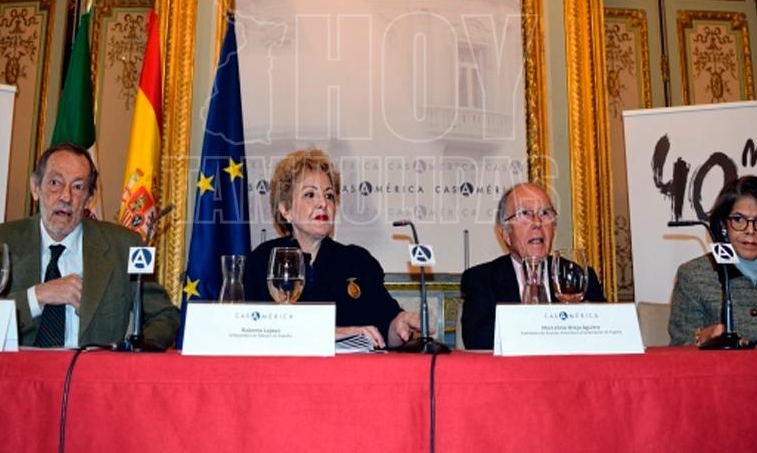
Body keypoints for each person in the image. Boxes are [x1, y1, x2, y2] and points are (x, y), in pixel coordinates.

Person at [0, 142, 179, 348]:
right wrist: (37, 296)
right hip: (19, 368)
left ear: (89, 198)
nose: (66, 197)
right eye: (55, 183)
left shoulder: (124, 246)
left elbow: (165, 316)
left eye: (78, 187)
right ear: (35, 188)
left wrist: (132, 353)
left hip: (92, 368)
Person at [244, 149, 421, 348]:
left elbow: (386, 329)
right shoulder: (264, 260)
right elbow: (252, 329)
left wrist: (399, 324)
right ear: (286, 210)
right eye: (310, 194)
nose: (323, 203)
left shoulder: (358, 261)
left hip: (349, 368)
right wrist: (333, 333)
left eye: (328, 195)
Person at [460, 182, 606, 349]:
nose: (537, 222)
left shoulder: (577, 275)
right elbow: (478, 340)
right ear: (505, 233)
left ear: (553, 228)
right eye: (524, 214)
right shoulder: (481, 279)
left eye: (545, 213)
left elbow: (603, 333)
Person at [668, 175, 757, 346]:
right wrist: (700, 338)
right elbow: (680, 346)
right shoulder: (693, 275)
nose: (750, 230)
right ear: (724, 225)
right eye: (738, 220)